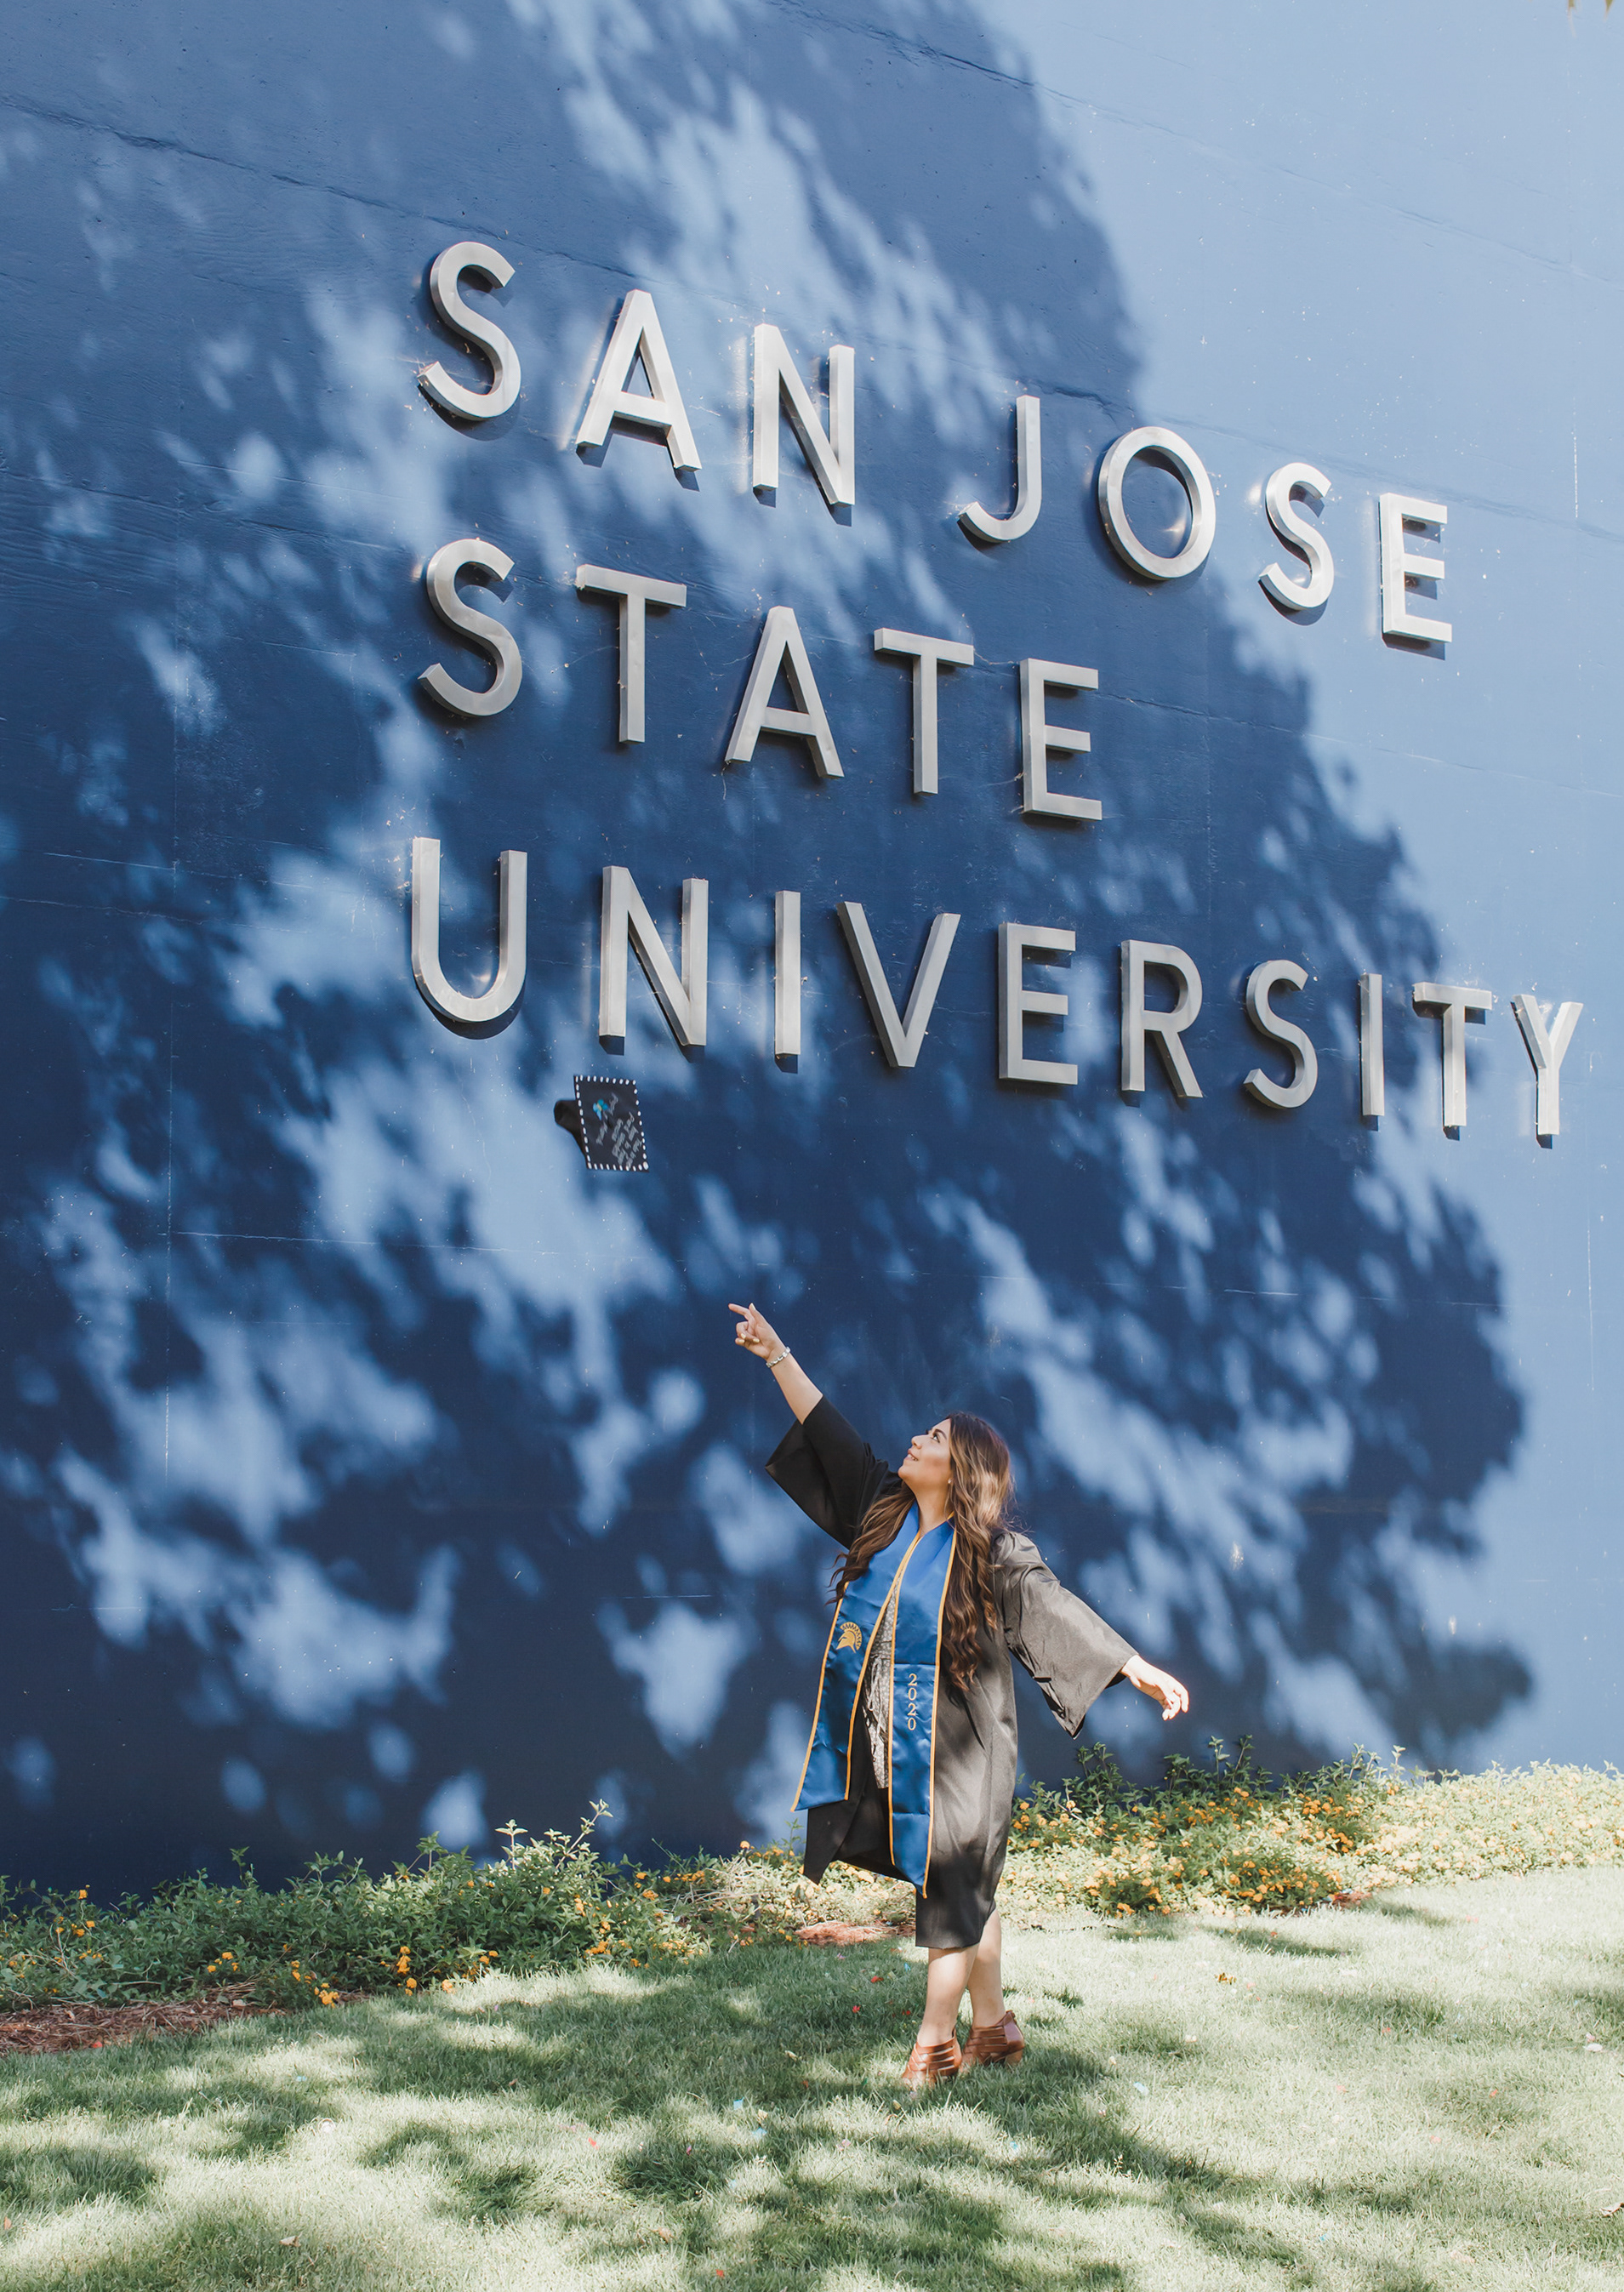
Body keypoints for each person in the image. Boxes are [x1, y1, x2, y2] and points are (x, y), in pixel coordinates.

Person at [730, 1300, 1190, 2090]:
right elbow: (827, 1430)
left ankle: (932, 2048)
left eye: (936, 1438)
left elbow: (1055, 1610)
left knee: (953, 1888)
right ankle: (994, 2028)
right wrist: (776, 1355)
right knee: (962, 1886)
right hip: (895, 1740)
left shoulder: (994, 1552)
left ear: (962, 1469)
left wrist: (1131, 1665)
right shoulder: (883, 1512)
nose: (918, 1438)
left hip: (965, 1749)